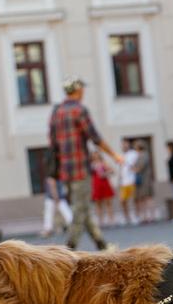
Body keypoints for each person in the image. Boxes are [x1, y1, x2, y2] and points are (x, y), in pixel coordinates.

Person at [46, 77, 123, 251]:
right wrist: (114, 155)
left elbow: (51, 141)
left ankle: (101, 244)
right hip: (80, 169)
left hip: (65, 170)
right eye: (82, 89)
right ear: (78, 90)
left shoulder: (56, 112)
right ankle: (69, 248)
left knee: (84, 207)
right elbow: (95, 138)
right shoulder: (79, 110)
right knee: (80, 210)